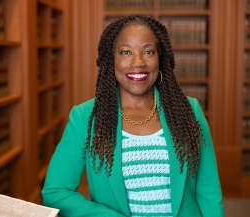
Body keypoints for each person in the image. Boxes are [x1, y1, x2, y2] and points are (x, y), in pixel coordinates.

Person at [41, 15, 224, 217]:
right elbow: (55, 191)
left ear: (159, 59)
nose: (138, 62)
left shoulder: (189, 111)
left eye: (148, 51)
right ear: (112, 60)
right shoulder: (86, 118)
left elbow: (209, 193)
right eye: (126, 52)